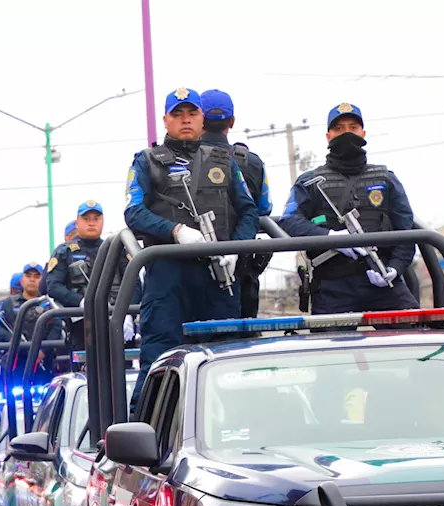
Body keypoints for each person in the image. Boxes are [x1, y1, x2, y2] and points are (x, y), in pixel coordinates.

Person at [123, 87, 258, 403]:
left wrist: (235, 251)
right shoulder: (147, 161)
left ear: (202, 119)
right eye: (178, 114)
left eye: (192, 113)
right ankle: (141, 443)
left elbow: (249, 211)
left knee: (226, 363)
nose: (185, 120)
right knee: (159, 363)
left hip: (218, 276)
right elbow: (133, 211)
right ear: (166, 120)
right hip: (168, 276)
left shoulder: (224, 161)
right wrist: (176, 231)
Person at [279, 102, 417, 314]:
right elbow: (289, 221)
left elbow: (406, 231)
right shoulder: (310, 182)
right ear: (328, 136)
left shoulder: (386, 179)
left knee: (413, 337)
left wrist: (395, 269)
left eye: (353, 128)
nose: (346, 134)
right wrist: (330, 236)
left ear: (363, 133)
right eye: (339, 128)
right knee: (327, 345)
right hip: (332, 285)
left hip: (382, 279)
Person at [199, 90, 273, 318]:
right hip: (241, 265)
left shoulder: (185, 159)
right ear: (231, 122)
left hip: (193, 267)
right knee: (243, 341)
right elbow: (264, 208)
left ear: (198, 118)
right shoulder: (251, 162)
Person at [45, 200, 139, 342]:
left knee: (122, 363)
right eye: (86, 219)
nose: (91, 223)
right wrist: (81, 301)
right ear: (77, 223)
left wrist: (128, 315)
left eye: (96, 219)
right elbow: (53, 286)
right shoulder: (64, 251)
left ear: (102, 222)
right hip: (81, 326)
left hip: (117, 320)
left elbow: (135, 284)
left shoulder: (116, 249)